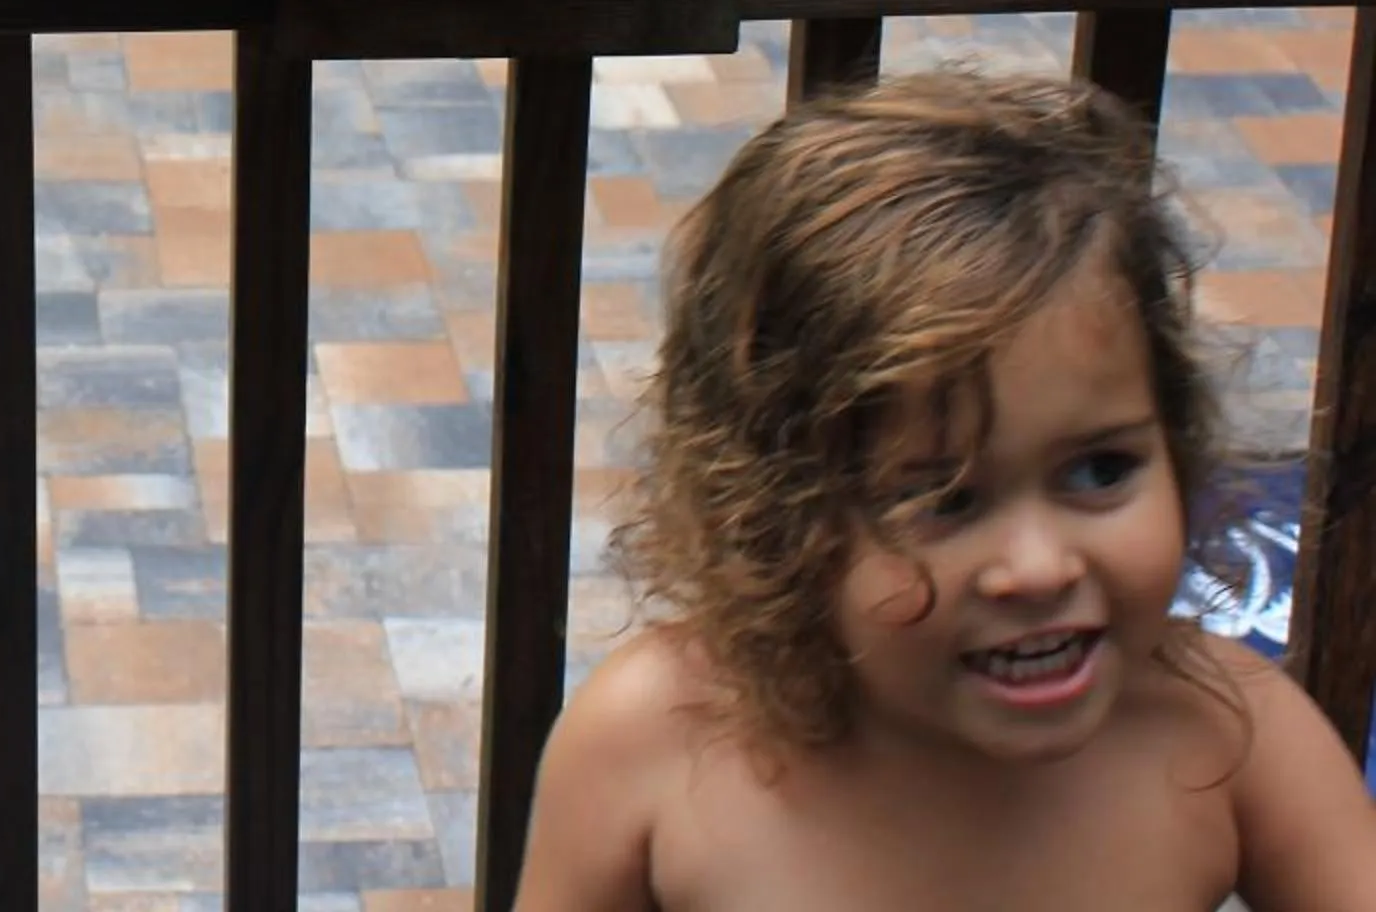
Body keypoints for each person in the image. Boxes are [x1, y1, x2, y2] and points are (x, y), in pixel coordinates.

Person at [512, 70, 1376, 911]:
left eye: (1100, 471)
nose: (1038, 568)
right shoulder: (654, 742)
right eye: (944, 500)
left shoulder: (1230, 733)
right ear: (774, 524)